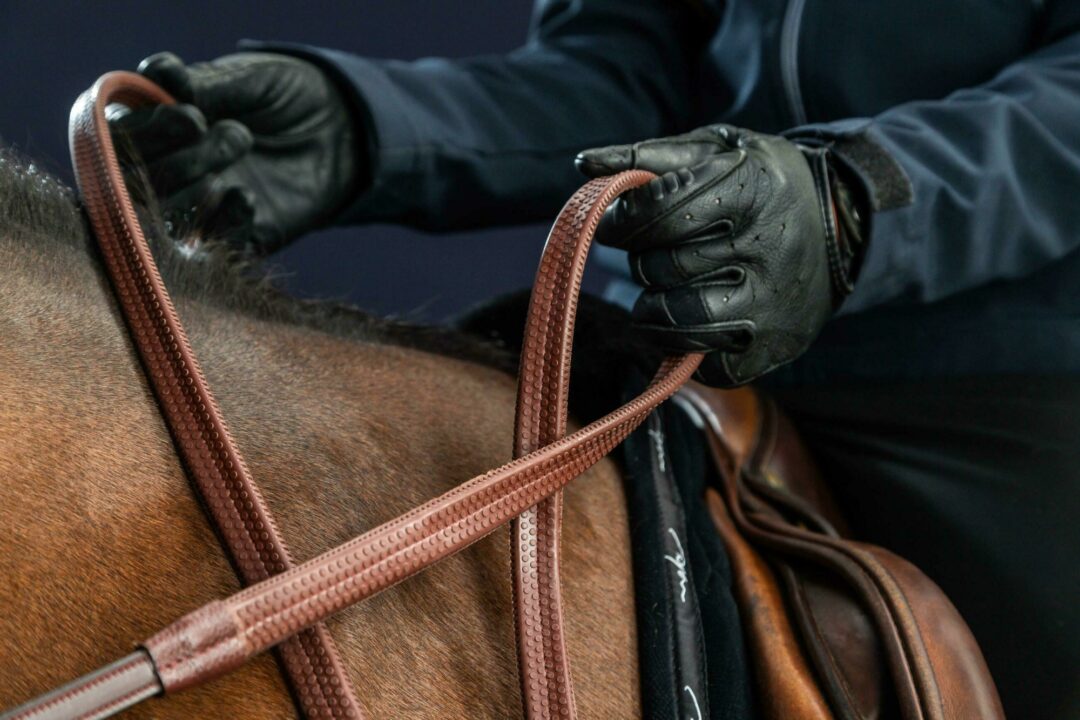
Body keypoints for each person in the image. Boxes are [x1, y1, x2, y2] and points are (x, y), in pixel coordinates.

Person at [116, 1, 1080, 716]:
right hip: (679, 345)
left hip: (991, 369)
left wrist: (854, 200)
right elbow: (623, 72)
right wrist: (372, 127)